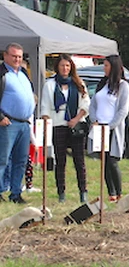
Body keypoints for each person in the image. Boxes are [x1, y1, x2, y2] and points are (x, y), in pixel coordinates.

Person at [39, 53, 90, 203]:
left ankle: (83, 191)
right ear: (57, 67)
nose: (65, 68)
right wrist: (46, 123)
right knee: (60, 161)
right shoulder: (50, 84)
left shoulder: (78, 83)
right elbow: (45, 107)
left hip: (75, 124)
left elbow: (85, 104)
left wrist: (76, 119)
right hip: (57, 124)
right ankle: (61, 192)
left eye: (67, 65)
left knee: (79, 160)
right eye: (62, 65)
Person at [89, 55, 129, 202]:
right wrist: (94, 120)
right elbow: (93, 104)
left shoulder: (123, 86)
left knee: (112, 161)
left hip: (112, 128)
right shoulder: (102, 84)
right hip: (99, 127)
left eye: (106, 65)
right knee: (104, 161)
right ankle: (110, 192)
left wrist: (111, 125)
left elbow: (123, 110)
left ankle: (119, 192)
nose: (104, 68)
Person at [0, 43, 36, 204]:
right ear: (5, 55)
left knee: (20, 160)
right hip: (7, 123)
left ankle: (15, 193)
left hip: (24, 123)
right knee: (2, 159)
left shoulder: (22, 73)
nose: (17, 59)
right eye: (14, 56)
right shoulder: (2, 73)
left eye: (20, 56)